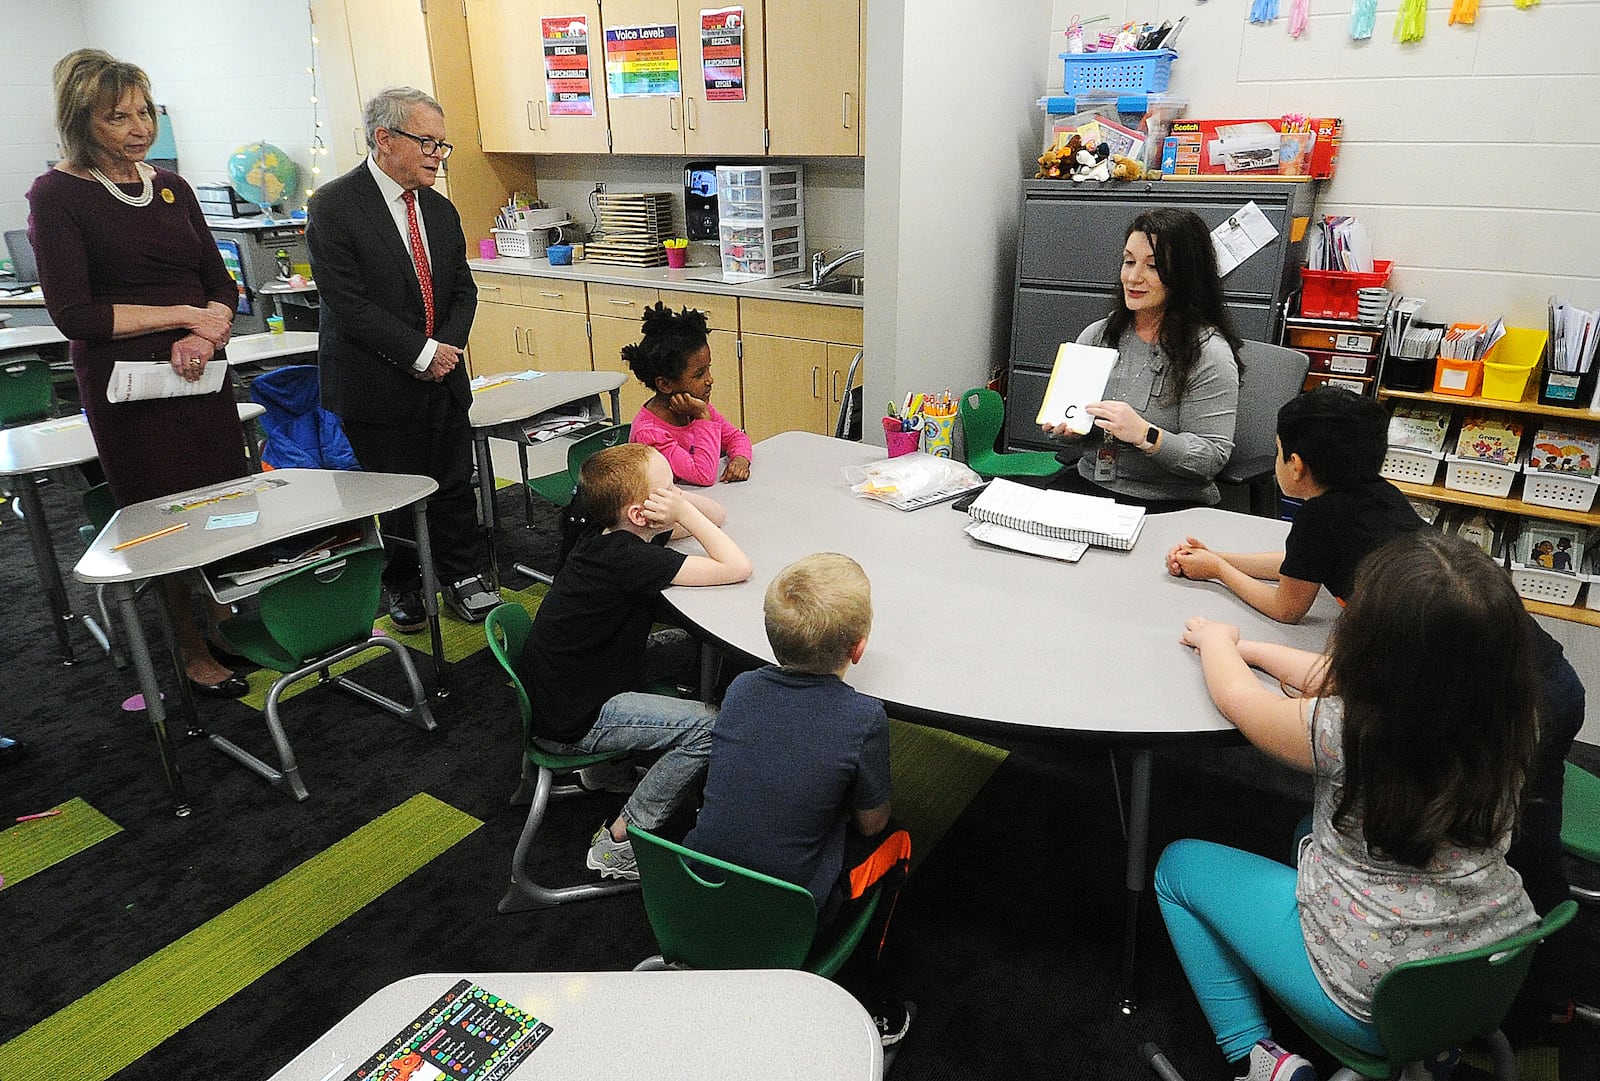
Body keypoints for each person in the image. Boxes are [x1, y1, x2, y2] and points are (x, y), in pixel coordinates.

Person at [1166, 385, 1586, 920]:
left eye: (1276, 451)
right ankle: (1542, 937)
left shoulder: (1321, 517)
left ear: (1295, 464)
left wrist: (1219, 572)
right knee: (1519, 819)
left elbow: (1288, 605)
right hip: (1543, 675)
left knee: (1483, 811)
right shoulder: (1378, 496)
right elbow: (1302, 559)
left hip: (1500, 698)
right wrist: (1221, 556)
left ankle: (1473, 931)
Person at [1158, 531, 1541, 1081]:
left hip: (1371, 993)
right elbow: (1353, 682)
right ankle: (1431, 1046)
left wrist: (1218, 642)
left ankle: (1257, 1058)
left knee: (1178, 867)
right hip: (1486, 966)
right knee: (1300, 833)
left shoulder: (1347, 731)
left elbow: (1241, 701)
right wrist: (1253, 649)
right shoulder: (1509, 718)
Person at [28, 49, 248, 697]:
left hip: (198, 374)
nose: (138, 127)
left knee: (222, 501)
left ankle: (220, 619)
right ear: (80, 121)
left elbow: (221, 285)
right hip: (129, 388)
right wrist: (185, 316)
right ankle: (186, 645)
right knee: (164, 517)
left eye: (144, 111)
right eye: (116, 116)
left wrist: (206, 332)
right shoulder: (58, 194)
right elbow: (76, 313)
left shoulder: (172, 186)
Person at [684, 553, 913, 1046]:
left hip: (695, 892)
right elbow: (873, 824)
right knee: (900, 840)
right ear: (858, 649)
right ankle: (864, 997)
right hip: (792, 915)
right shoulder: (864, 717)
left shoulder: (741, 688)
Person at [514, 443, 751, 879]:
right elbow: (737, 565)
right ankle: (620, 841)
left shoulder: (611, 536)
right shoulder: (631, 558)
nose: (676, 494)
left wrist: (675, 504)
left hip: (571, 685)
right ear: (641, 515)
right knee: (713, 726)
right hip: (575, 719)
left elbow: (715, 515)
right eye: (668, 489)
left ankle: (602, 773)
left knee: (689, 645)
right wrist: (682, 511)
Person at [307, 86, 495, 630]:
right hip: (376, 382)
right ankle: (405, 583)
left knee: (454, 482)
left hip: (444, 376)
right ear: (384, 139)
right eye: (426, 142)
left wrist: (446, 350)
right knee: (397, 490)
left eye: (442, 144)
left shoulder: (438, 208)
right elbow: (348, 305)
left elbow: (463, 288)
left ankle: (460, 574)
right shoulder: (334, 206)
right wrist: (419, 353)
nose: (437, 154)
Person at [1039, 207, 1243, 511]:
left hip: (1169, 502)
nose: (1133, 277)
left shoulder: (1210, 354)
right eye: (1129, 261)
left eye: (1153, 266)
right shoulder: (1099, 336)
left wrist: (1145, 434)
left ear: (1185, 275)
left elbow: (1210, 458)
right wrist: (1066, 430)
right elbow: (1071, 432)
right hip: (1090, 485)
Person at [623, 302, 753, 485]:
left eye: (708, 369)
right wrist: (702, 417)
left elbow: (736, 437)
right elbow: (703, 475)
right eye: (699, 374)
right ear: (665, 384)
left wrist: (740, 459)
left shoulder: (693, 406)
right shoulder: (650, 433)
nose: (710, 380)